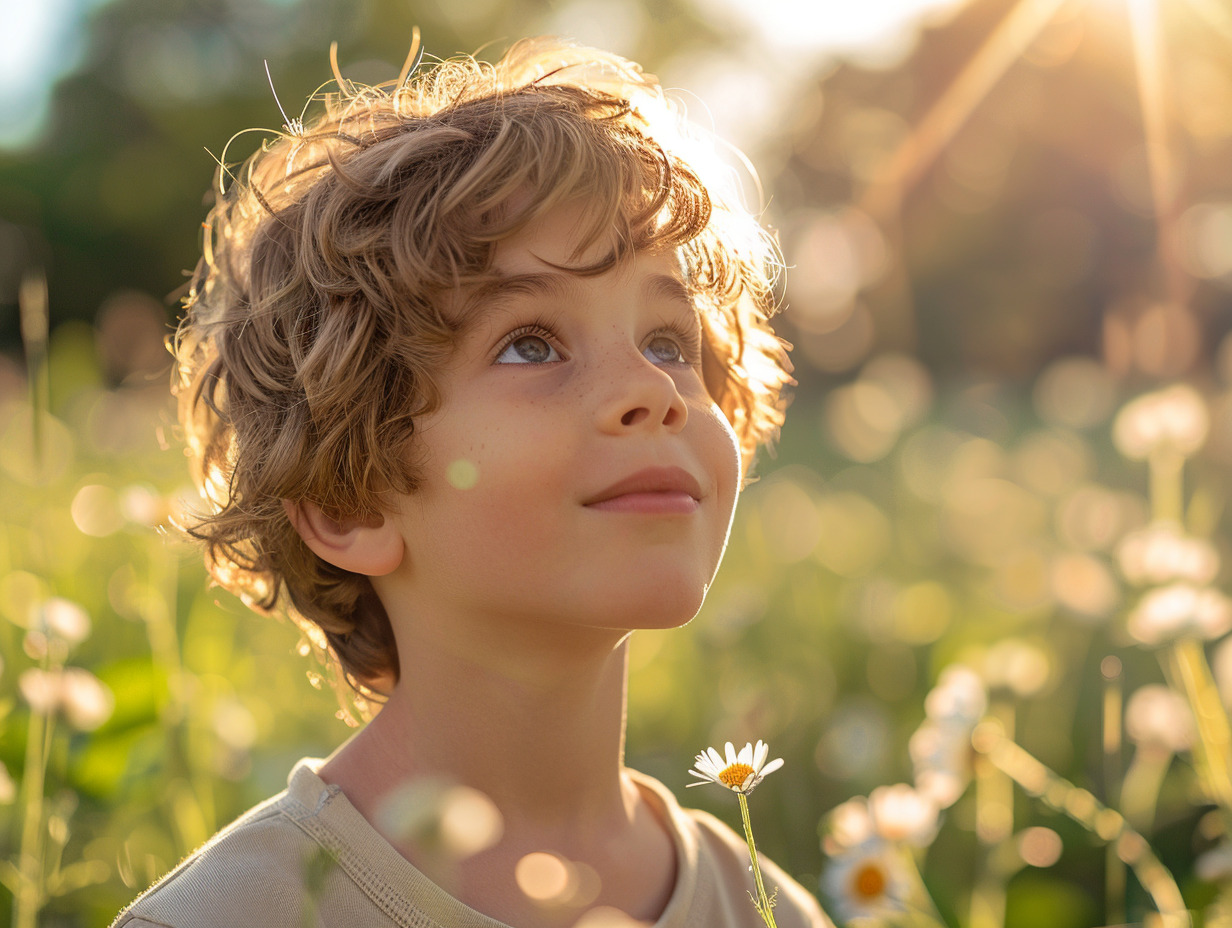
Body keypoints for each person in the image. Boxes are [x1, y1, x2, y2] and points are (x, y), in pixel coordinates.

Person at [113, 33, 829, 928]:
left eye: (667, 342)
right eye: (531, 343)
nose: (652, 390)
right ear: (348, 499)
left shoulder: (768, 909)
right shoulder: (232, 917)